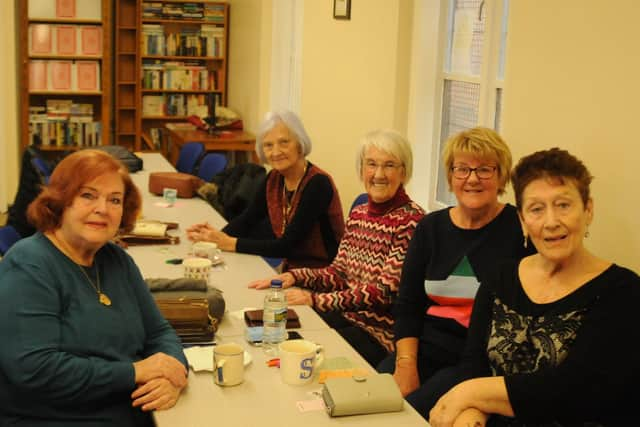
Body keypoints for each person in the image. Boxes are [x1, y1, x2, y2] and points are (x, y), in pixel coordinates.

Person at [428, 148, 640, 427]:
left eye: (564, 205)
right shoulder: (501, 276)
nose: (551, 222)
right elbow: (473, 362)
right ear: (523, 220)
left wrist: (470, 393)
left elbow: (576, 389)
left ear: (588, 210)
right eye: (536, 209)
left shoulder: (623, 291)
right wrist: (471, 412)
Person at [0, 150, 188, 426]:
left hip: (126, 410)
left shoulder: (117, 260)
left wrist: (172, 374)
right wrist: (135, 372)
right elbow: (34, 370)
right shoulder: (29, 264)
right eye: (88, 195)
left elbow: (159, 332)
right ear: (61, 200)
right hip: (55, 418)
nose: (103, 208)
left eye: (114, 200)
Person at [381, 127, 533, 418]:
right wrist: (405, 365)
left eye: (485, 169)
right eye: (461, 169)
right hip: (422, 350)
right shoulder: (431, 228)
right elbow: (408, 305)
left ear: (501, 176)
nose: (472, 178)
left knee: (405, 416)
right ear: (450, 177)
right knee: (370, 402)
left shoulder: (519, 228)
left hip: (475, 361)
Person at [250, 129, 425, 367]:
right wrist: (293, 276)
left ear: (404, 172)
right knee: (276, 339)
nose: (379, 174)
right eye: (371, 164)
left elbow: (383, 292)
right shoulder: (360, 213)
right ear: (362, 169)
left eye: (390, 165)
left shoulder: (412, 222)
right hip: (346, 317)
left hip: (379, 335)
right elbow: (338, 273)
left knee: (301, 359)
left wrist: (316, 300)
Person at [187, 110, 345, 270]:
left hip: (324, 275)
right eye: (268, 145)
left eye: (284, 142)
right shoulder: (274, 179)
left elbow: (287, 246)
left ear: (299, 144)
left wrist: (230, 243)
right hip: (291, 269)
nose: (275, 152)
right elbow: (248, 219)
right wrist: (213, 238)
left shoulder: (318, 183)